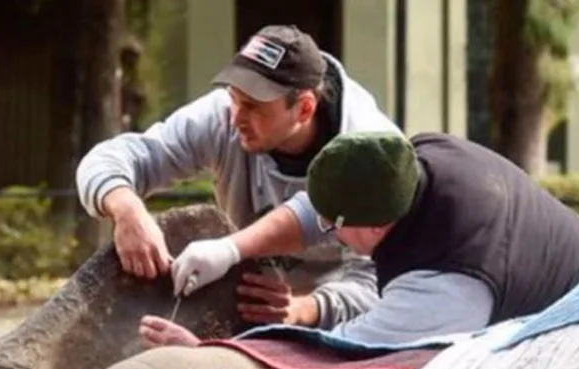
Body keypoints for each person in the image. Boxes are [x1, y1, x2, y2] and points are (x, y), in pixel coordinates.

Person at [139, 131, 579, 348]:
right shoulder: (415, 157)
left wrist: (213, 351)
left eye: (335, 229)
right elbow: (329, 205)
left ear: (376, 227)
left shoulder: (444, 288)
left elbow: (332, 355)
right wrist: (232, 248)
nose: (326, 234)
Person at [76, 25, 401, 330]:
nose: (236, 118)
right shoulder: (223, 117)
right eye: (233, 98)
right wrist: (126, 209)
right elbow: (117, 156)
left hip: (342, 323)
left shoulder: (373, 155)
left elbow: (387, 284)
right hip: (244, 295)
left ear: (303, 109)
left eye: (253, 107)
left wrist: (302, 309)